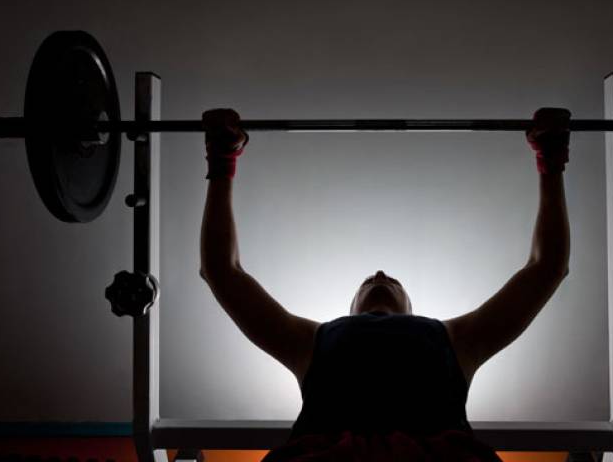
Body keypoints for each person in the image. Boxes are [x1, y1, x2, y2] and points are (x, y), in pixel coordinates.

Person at [199, 108, 571, 461]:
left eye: (391, 280)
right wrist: (222, 160)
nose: (379, 273)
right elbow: (222, 271)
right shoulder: (312, 341)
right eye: (367, 281)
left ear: (412, 309)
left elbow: (547, 268)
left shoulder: (454, 339)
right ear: (350, 310)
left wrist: (551, 159)